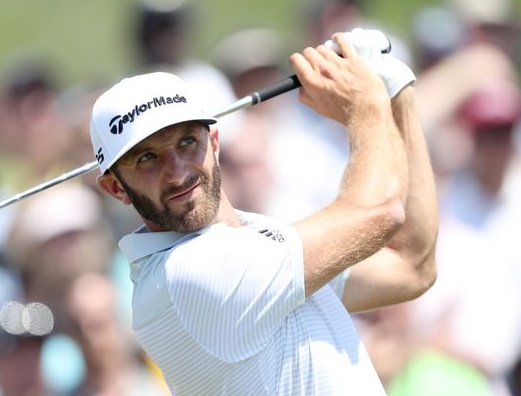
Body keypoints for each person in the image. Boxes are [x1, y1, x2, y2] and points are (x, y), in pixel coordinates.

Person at [88, 30, 438, 394]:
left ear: (215, 142)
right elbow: (380, 211)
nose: (177, 172)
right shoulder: (187, 277)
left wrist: (397, 94)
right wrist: (366, 106)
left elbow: (411, 266)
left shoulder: (257, 239)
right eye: (148, 158)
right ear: (115, 187)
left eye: (187, 142)